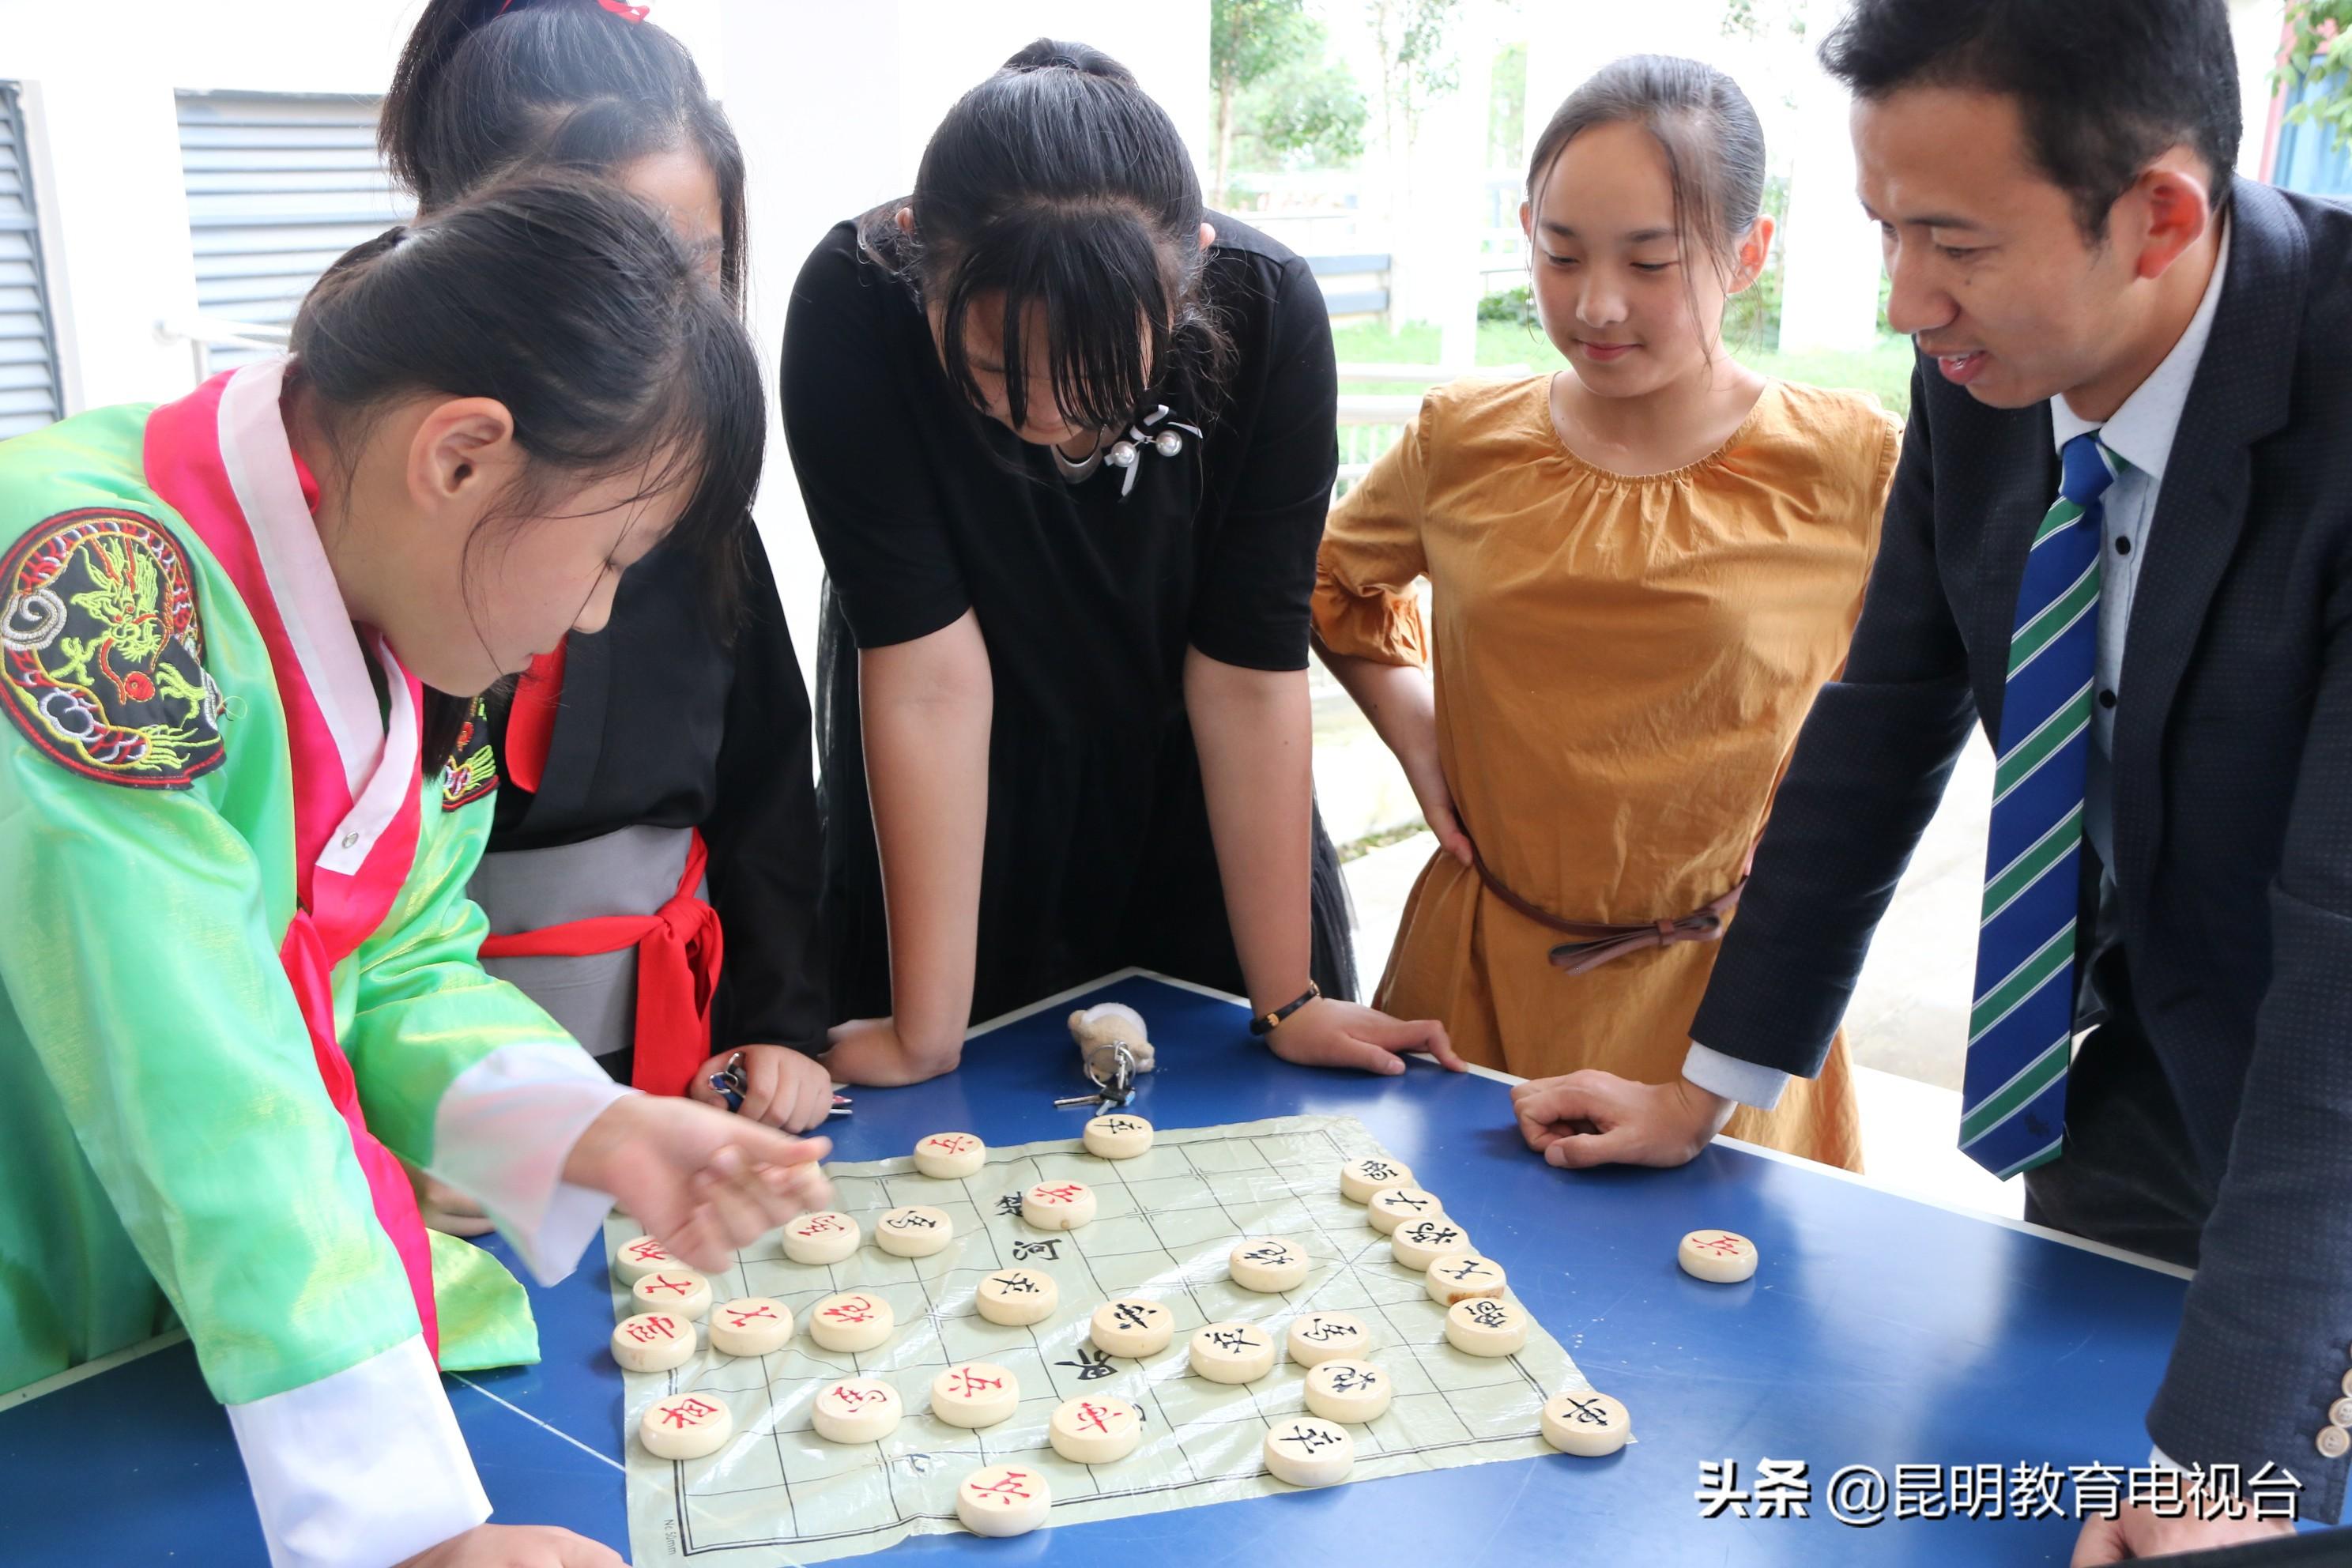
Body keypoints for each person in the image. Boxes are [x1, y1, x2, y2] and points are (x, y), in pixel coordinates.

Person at [1509, 0, 2352, 1550]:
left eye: (1952, 242)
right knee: (2062, 1485)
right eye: (1883, 229)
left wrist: (2242, 1456)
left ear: (2160, 214)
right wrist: (1708, 1085)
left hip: (2331, 1087)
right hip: (2139, 1061)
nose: (1906, 301)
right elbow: (1889, 706)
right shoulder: (1989, 367)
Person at [0, 175, 832, 1568]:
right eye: (611, 554)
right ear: (461, 458)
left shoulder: (395, 598)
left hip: (214, 1317)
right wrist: (410, 1534)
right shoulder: (88, 578)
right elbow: (192, 1049)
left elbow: (390, 961)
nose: (598, 611)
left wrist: (595, 1126)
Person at [782, 40, 1457, 1085]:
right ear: (919, 253)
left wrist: (1286, 998)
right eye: (997, 370)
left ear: (1189, 268)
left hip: (1200, 797)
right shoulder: (852, 304)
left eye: (1100, 379)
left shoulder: (1269, 307)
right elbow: (926, 674)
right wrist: (926, 1028)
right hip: (953, 826)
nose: (1047, 415)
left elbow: (1246, 666)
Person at [1314, 56, 1897, 1169]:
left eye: (1651, 261)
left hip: (1722, 1018)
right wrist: (1420, 729)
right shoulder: (1462, 440)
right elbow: (1336, 585)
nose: (1596, 305)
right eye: (1561, 253)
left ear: (1749, 253)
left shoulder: (1848, 465)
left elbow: (1912, 708)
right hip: (1474, 978)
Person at [380, 0, 836, 1133]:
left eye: (694, 270)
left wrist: (779, 1023)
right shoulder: (365, 537)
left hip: (679, 1067)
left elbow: (771, 788)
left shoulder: (702, 512)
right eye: (613, 270)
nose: (661, 329)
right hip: (434, 1110)